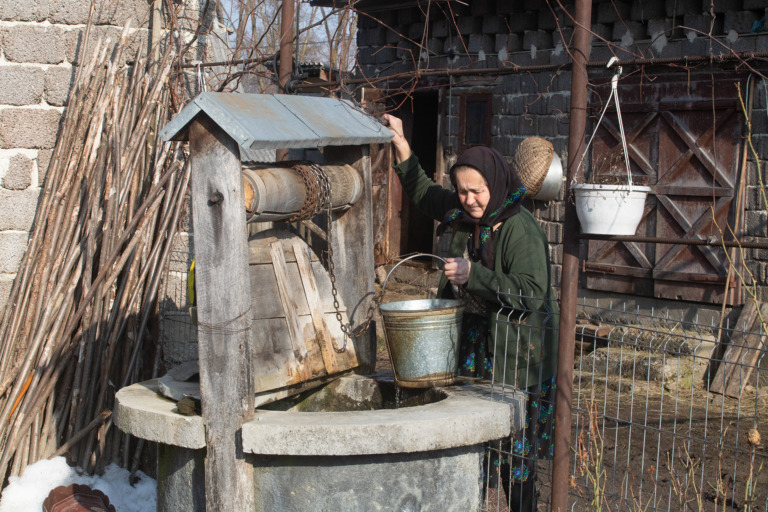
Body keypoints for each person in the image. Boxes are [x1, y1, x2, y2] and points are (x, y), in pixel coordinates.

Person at [383, 114, 559, 512]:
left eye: (476, 191)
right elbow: (425, 195)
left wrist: (473, 274)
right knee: (471, 453)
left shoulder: (519, 227)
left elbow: (532, 294)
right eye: (462, 192)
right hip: (476, 352)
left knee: (515, 463)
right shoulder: (463, 215)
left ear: (493, 185)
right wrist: (402, 146)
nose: (469, 200)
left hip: (517, 362)